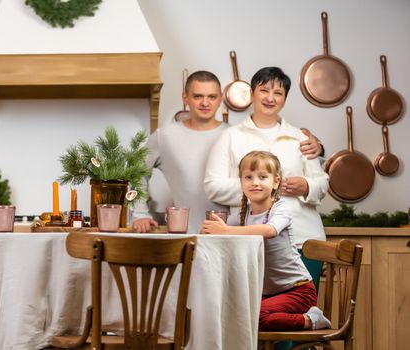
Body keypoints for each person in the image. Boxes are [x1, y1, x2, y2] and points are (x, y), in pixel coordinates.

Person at [131, 70, 322, 234]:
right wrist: (139, 214)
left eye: (212, 97)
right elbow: (136, 172)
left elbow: (275, 161)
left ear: (220, 99)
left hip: (235, 232)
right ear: (185, 98)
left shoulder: (233, 134)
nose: (205, 103)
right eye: (197, 96)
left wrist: (317, 146)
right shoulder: (165, 137)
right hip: (187, 231)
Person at [204, 67, 328, 288]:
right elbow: (213, 186)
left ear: (284, 100)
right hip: (249, 238)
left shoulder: (300, 138)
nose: (270, 98)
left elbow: (322, 183)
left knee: (301, 310)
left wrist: (306, 185)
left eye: (278, 93)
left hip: (303, 237)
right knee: (254, 311)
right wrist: (263, 188)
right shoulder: (230, 137)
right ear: (252, 94)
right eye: (264, 91)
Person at [202, 151, 330, 332]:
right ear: (241, 182)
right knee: (233, 315)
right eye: (248, 177)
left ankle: (311, 319)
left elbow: (270, 230)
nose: (255, 182)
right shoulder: (242, 216)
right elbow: (220, 230)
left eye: (262, 177)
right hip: (268, 294)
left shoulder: (281, 208)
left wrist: (225, 230)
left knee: (256, 318)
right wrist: (210, 229)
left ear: (276, 182)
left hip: (298, 290)